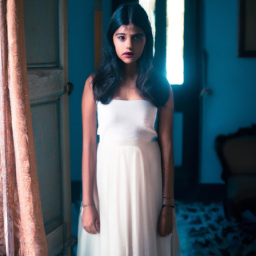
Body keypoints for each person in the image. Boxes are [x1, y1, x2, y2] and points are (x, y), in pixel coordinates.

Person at [77, 2, 181, 255]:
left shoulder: (160, 85)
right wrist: (88, 203)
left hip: (147, 180)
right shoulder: (95, 84)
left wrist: (168, 205)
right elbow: (89, 145)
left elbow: (167, 146)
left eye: (137, 37)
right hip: (107, 180)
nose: (129, 45)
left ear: (147, 40)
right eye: (121, 37)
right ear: (112, 38)